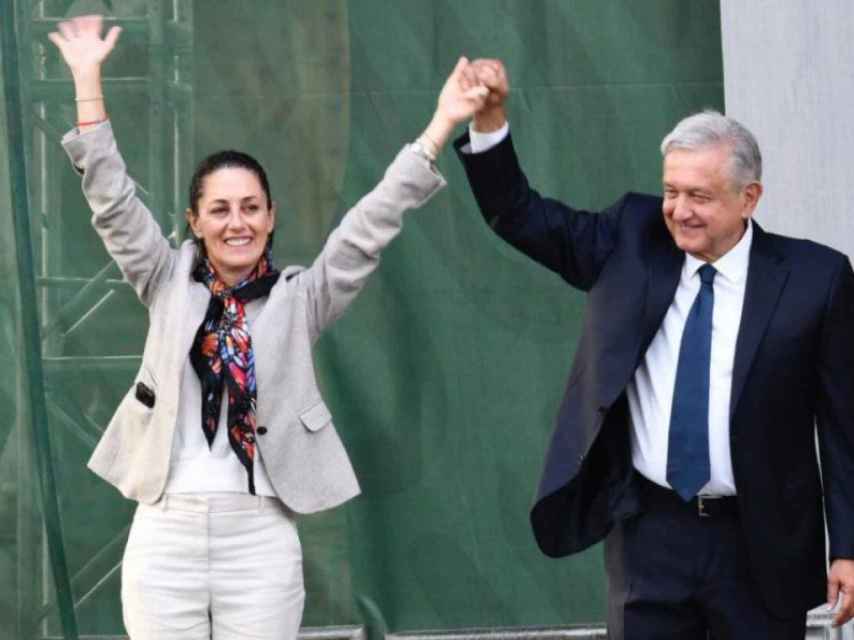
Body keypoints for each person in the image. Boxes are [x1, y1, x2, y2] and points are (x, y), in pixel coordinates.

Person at [49, 15, 488, 640]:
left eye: (251, 207)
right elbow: (113, 202)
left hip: (259, 535)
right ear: (194, 221)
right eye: (220, 209)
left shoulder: (301, 296)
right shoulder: (164, 277)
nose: (237, 222)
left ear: (271, 217)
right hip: (164, 531)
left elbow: (372, 222)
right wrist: (87, 78)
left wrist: (442, 123)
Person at [454, 58, 854, 639]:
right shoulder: (631, 239)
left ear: (750, 198)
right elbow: (519, 214)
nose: (680, 211)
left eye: (700, 195)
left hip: (761, 542)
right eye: (671, 191)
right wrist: (489, 121)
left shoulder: (817, 278)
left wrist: (848, 547)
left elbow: (844, 426)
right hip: (649, 536)